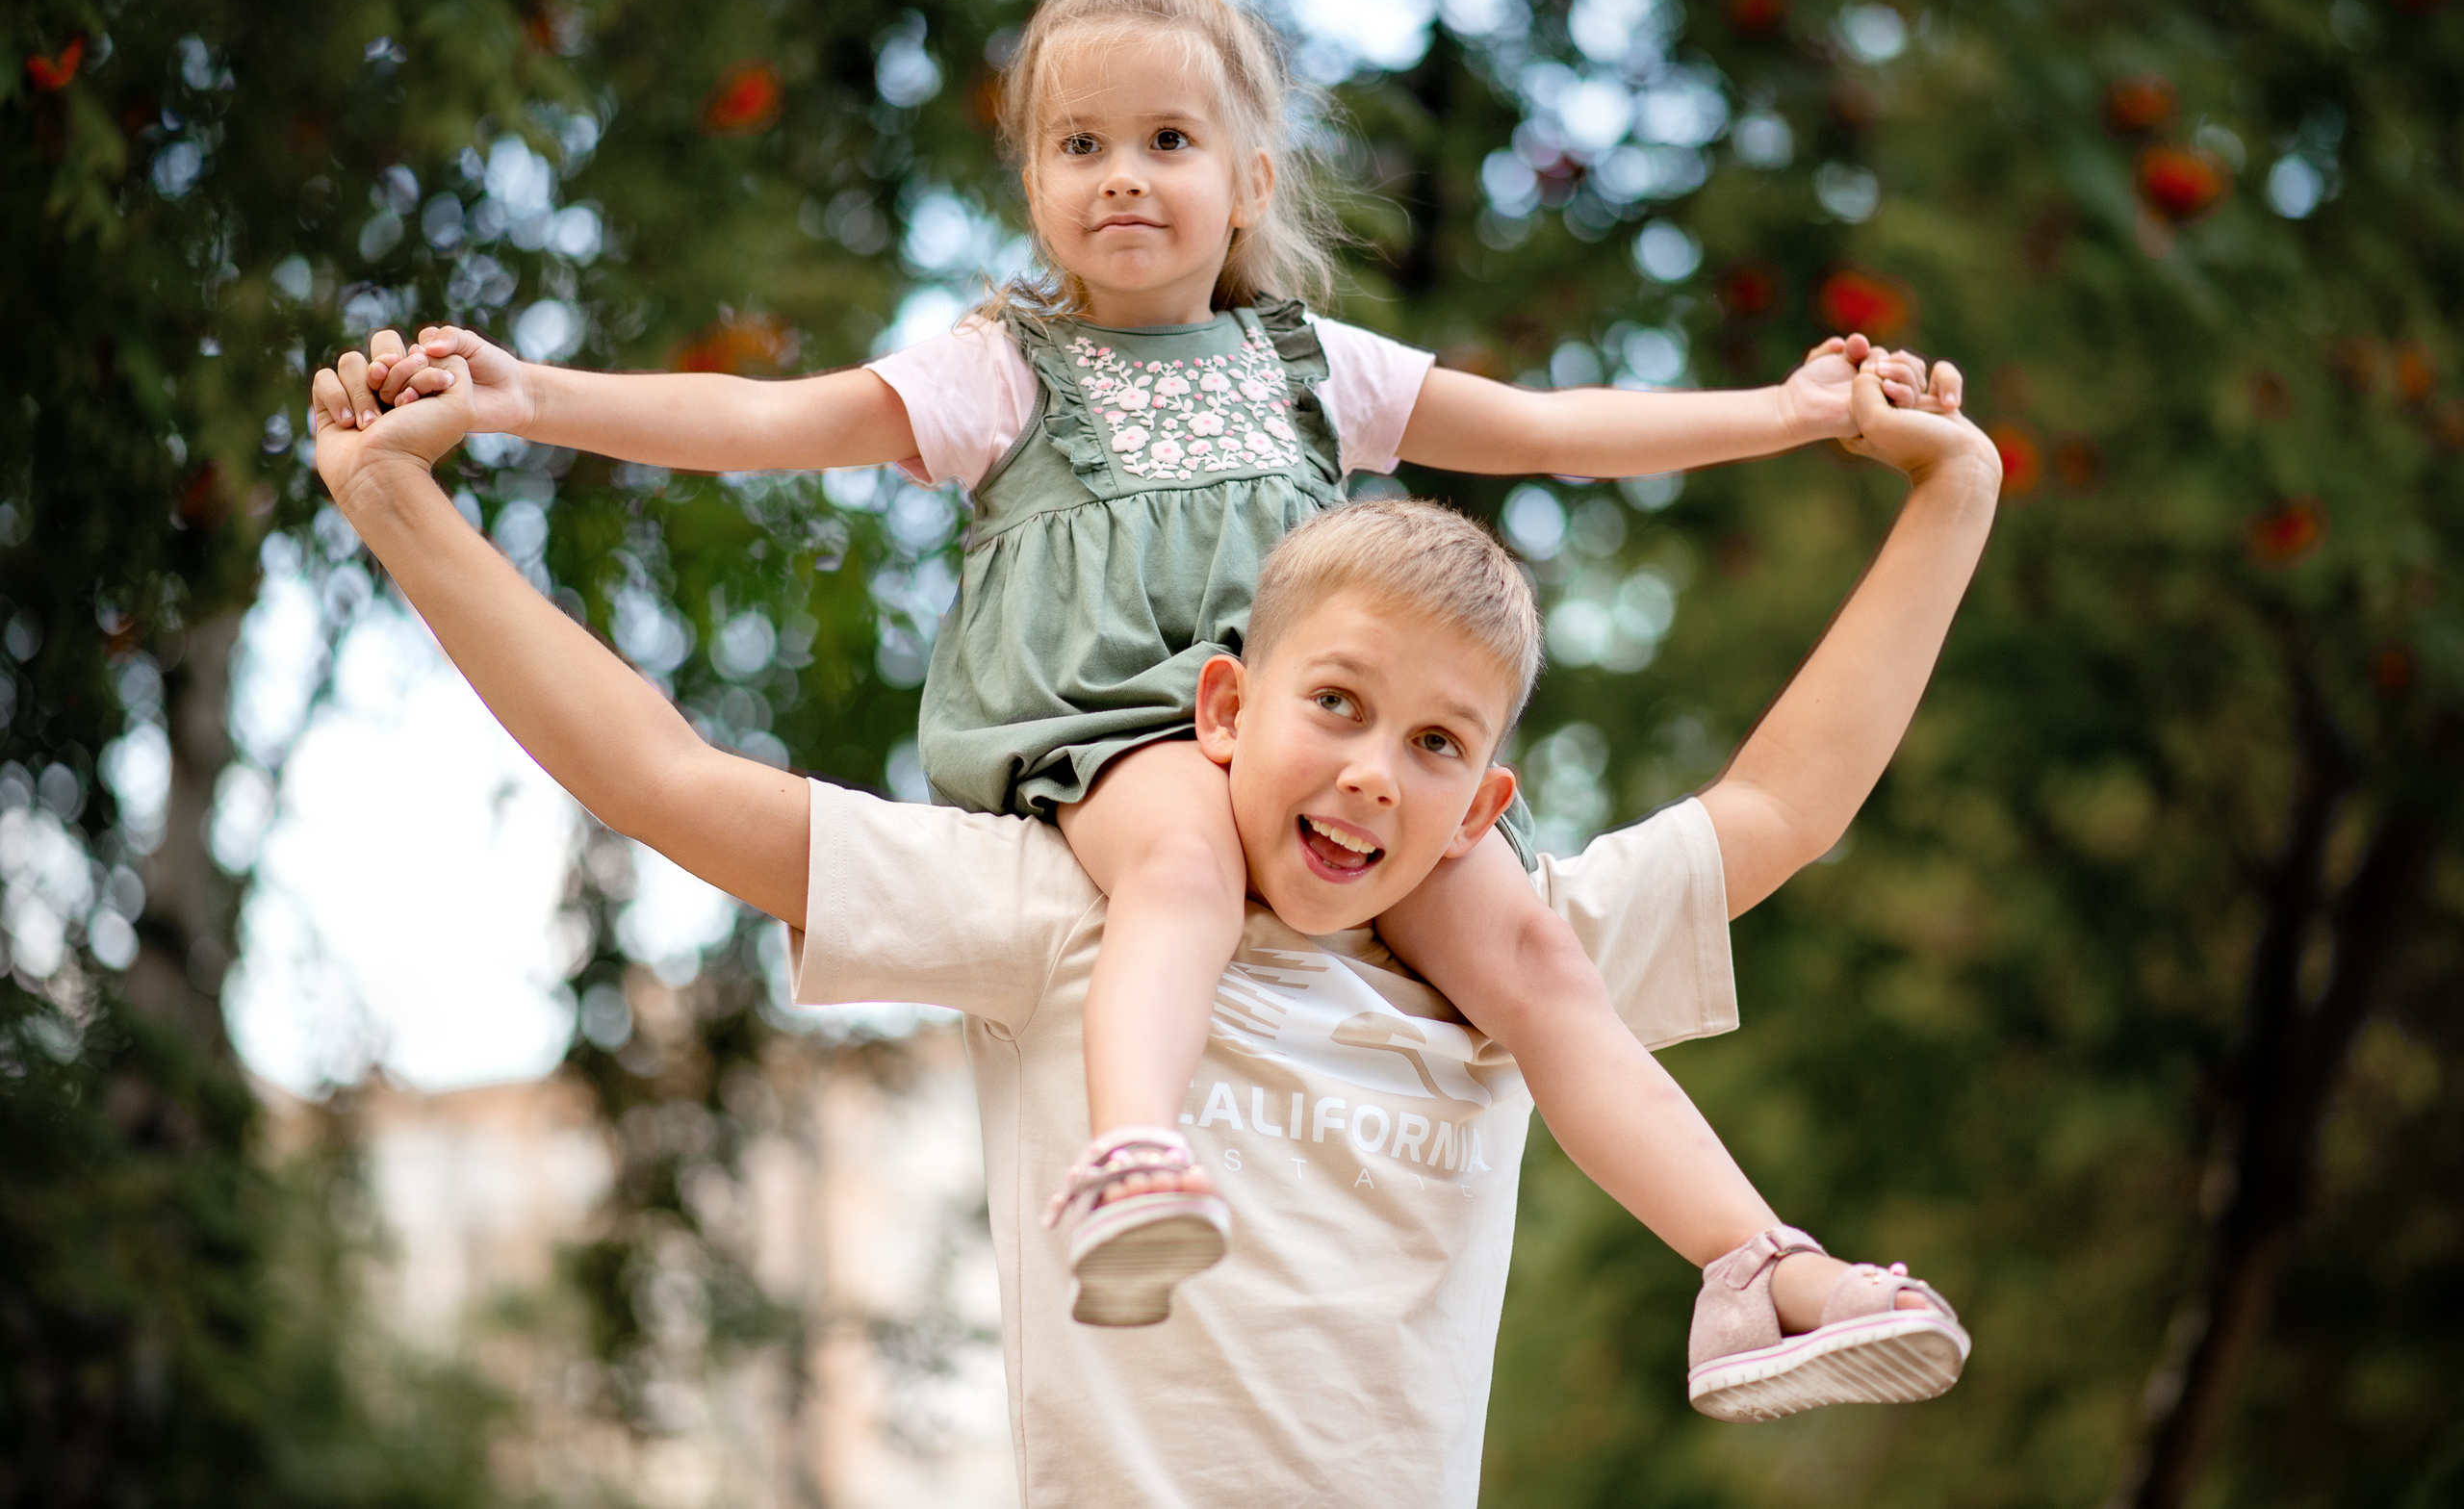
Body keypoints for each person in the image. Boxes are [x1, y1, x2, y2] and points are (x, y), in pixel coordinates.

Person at [344, 0, 1973, 1339]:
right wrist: (523, 397)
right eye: (1080, 143)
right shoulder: (1006, 374)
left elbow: (1550, 428)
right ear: (1038, 188)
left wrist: (1794, 409)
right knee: (1183, 867)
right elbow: (769, 419)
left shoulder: (1313, 366)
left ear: (1250, 182)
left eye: (1170, 137)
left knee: (1542, 957)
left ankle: (1758, 1261)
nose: (1124, 171)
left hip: (1303, 730)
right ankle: (1132, 1156)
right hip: (1120, 732)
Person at [306, 327, 1998, 1496]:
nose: (1371, 778)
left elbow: (1786, 801)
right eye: (1335, 706)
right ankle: (1142, 1156)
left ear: (1484, 803)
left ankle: (1759, 1268)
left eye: (1432, 747)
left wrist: (1951, 492)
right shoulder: (1068, 908)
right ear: (1223, 710)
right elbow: (672, 780)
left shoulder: (1508, 960)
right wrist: (402, 507)